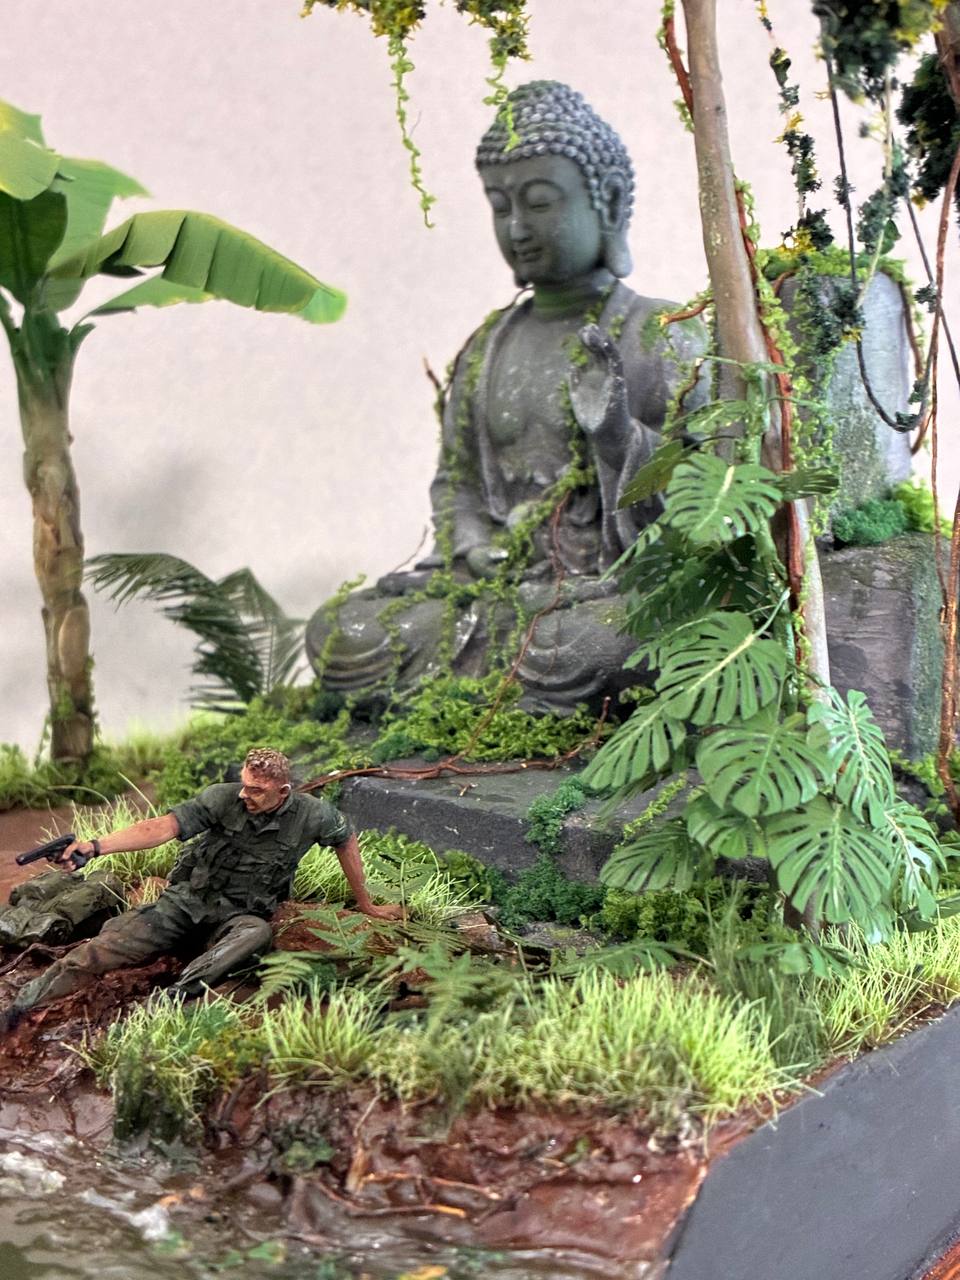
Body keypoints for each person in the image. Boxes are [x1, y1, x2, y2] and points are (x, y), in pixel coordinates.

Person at [305, 81, 706, 712]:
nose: (517, 228)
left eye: (540, 202)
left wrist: (616, 437)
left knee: (611, 639)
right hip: (495, 595)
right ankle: (502, 689)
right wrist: (472, 546)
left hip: (599, 592)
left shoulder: (662, 332)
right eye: (500, 206)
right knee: (343, 632)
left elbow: (702, 502)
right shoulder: (488, 346)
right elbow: (455, 483)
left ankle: (499, 688)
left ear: (607, 200)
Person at [0, 747, 401, 1031]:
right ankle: (19, 1008)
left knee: (256, 935)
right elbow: (161, 827)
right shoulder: (222, 799)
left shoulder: (313, 815)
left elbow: (345, 839)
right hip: (183, 906)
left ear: (283, 792)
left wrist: (365, 903)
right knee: (97, 952)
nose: (245, 795)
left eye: (256, 790)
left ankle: (172, 998)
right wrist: (95, 846)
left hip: (238, 917)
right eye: (244, 785)